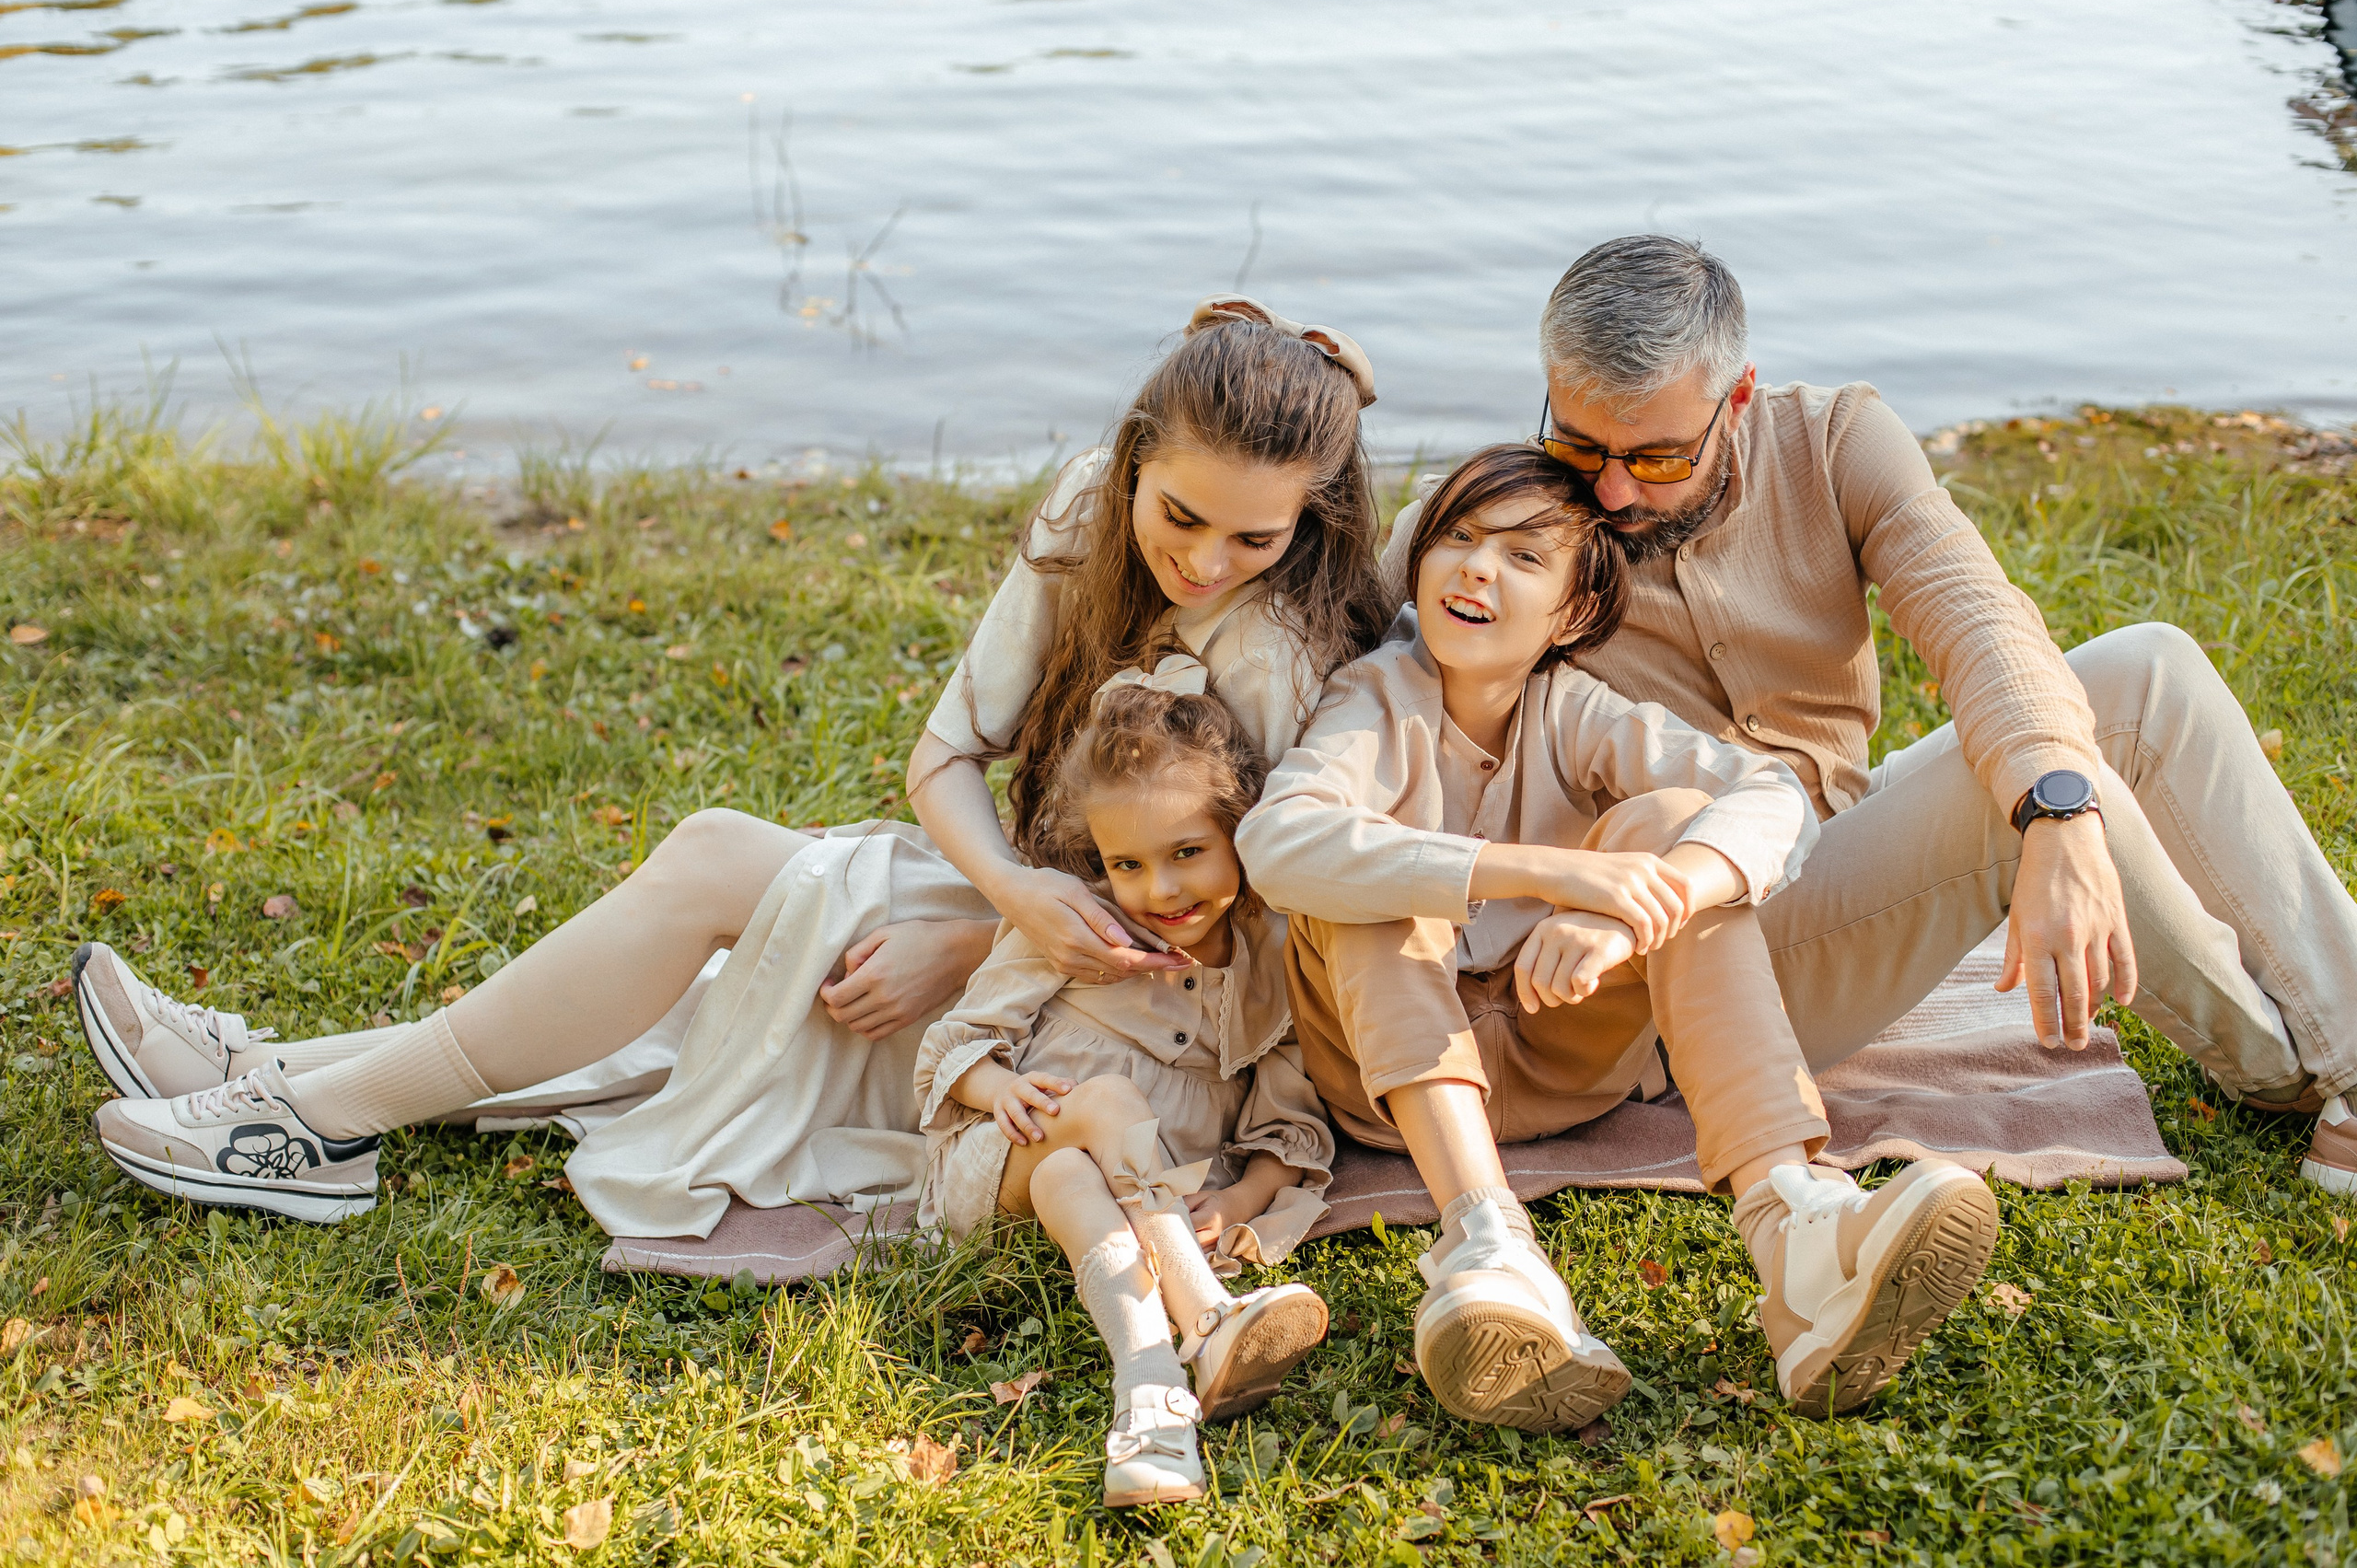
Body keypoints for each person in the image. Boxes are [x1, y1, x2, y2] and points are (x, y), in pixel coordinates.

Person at [70, 293, 1393, 1228]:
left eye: (1256, 538)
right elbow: (944, 755)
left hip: (1114, 1006)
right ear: (1132, 459)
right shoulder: (1085, 511)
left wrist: (979, 949)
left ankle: (304, 1110)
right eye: (1182, 515)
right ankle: (286, 1087)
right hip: (1023, 910)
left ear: (1309, 520)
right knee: (705, 946)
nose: (1207, 560)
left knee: (716, 897)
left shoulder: (1279, 650)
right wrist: (995, 894)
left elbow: (1227, 921)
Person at [1379, 235, 2357, 1193]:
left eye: (1660, 457)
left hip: (1834, 834)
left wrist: (2059, 808)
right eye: (1577, 442)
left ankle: (2342, 1048)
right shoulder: (1490, 524)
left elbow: (1974, 612)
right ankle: (2284, 1075)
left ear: (1740, 398)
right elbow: (1334, 663)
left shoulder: (1836, 440)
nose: (1611, 489)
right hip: (1694, 938)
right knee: (2018, 806)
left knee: (2149, 671)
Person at [1239, 444, 2000, 1432]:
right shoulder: (1374, 699)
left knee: (1670, 817)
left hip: (1566, 1051)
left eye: (1522, 559)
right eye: (1458, 541)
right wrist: (1547, 873)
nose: (1477, 568)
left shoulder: (1580, 710)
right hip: (1392, 1077)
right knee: (1369, 876)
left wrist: (1623, 905)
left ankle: (1793, 1231)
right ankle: (1488, 1243)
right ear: (1420, 570)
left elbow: (1769, 793)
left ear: (1572, 614)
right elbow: (1278, 841)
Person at [916, 671, 1332, 1506]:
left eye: (1188, 853)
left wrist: (1244, 1200)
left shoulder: (1272, 963)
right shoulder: (1079, 926)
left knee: (1078, 1175)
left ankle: (1147, 1385)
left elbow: (1290, 1119)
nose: (1161, 890)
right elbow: (949, 1046)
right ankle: (1208, 1313)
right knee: (1101, 1103)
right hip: (1001, 1164)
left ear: (1240, 834)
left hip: (1101, 1197)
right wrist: (997, 1083)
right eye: (1128, 863)